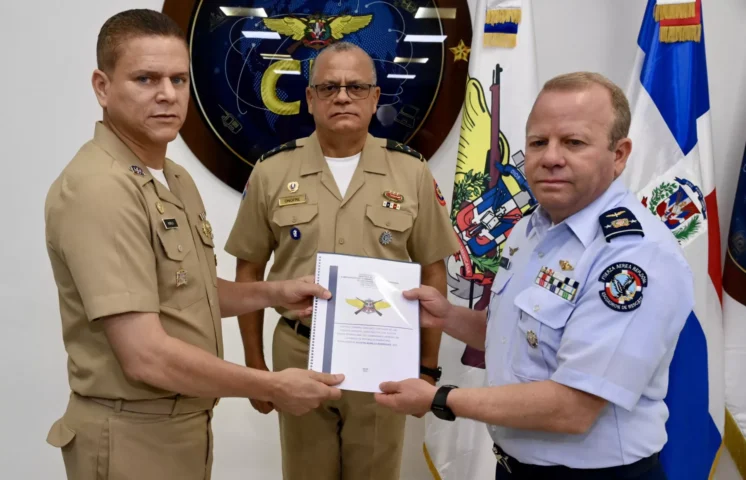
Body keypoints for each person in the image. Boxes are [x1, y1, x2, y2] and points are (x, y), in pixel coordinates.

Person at [43, 9, 343, 480]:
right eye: (145, 78)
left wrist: (272, 293)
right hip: (130, 437)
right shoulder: (100, 188)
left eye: (179, 80)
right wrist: (269, 384)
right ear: (102, 86)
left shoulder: (172, 178)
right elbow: (145, 355)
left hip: (182, 427)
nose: (167, 94)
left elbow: (189, 291)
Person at [375, 72, 693, 480]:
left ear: (619, 154)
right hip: (514, 468)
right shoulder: (532, 228)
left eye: (574, 142)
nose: (551, 157)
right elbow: (517, 336)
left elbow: (573, 407)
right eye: (539, 142)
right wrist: (446, 317)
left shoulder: (634, 256)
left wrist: (440, 398)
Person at [225, 41, 460, 480]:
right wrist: (254, 367)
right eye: (329, 86)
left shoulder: (410, 171)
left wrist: (427, 368)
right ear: (310, 99)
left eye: (356, 86)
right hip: (298, 350)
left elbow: (432, 268)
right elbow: (249, 271)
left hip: (384, 356)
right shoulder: (272, 172)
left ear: (375, 98)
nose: (343, 96)